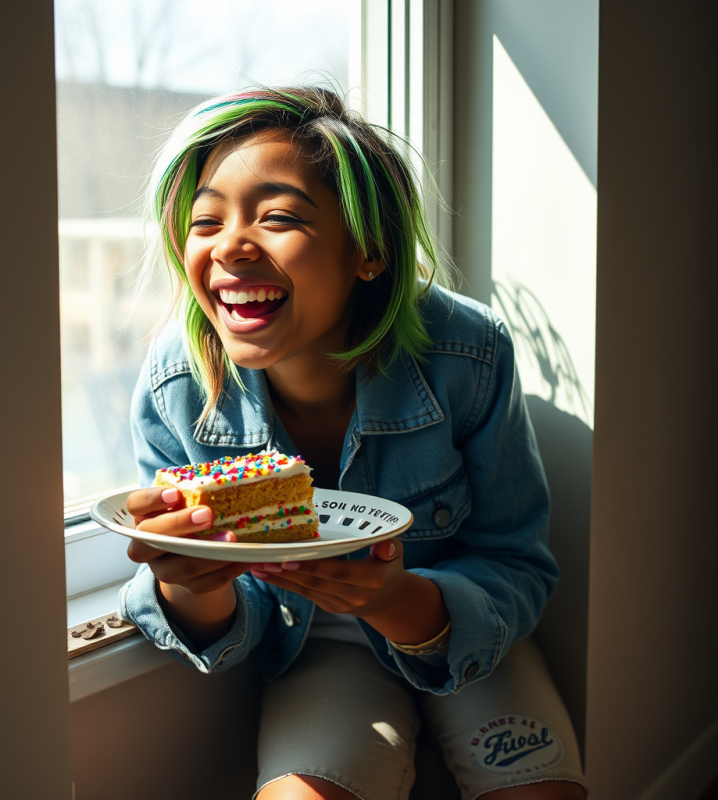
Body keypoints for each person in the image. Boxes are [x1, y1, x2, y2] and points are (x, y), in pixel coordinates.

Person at [120, 86, 588, 800]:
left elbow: (515, 562)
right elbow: (232, 625)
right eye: (205, 220)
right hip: (314, 649)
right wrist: (187, 584)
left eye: (276, 217)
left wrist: (401, 601)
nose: (230, 245)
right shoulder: (177, 384)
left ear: (367, 251)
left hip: (464, 625)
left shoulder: (468, 353)